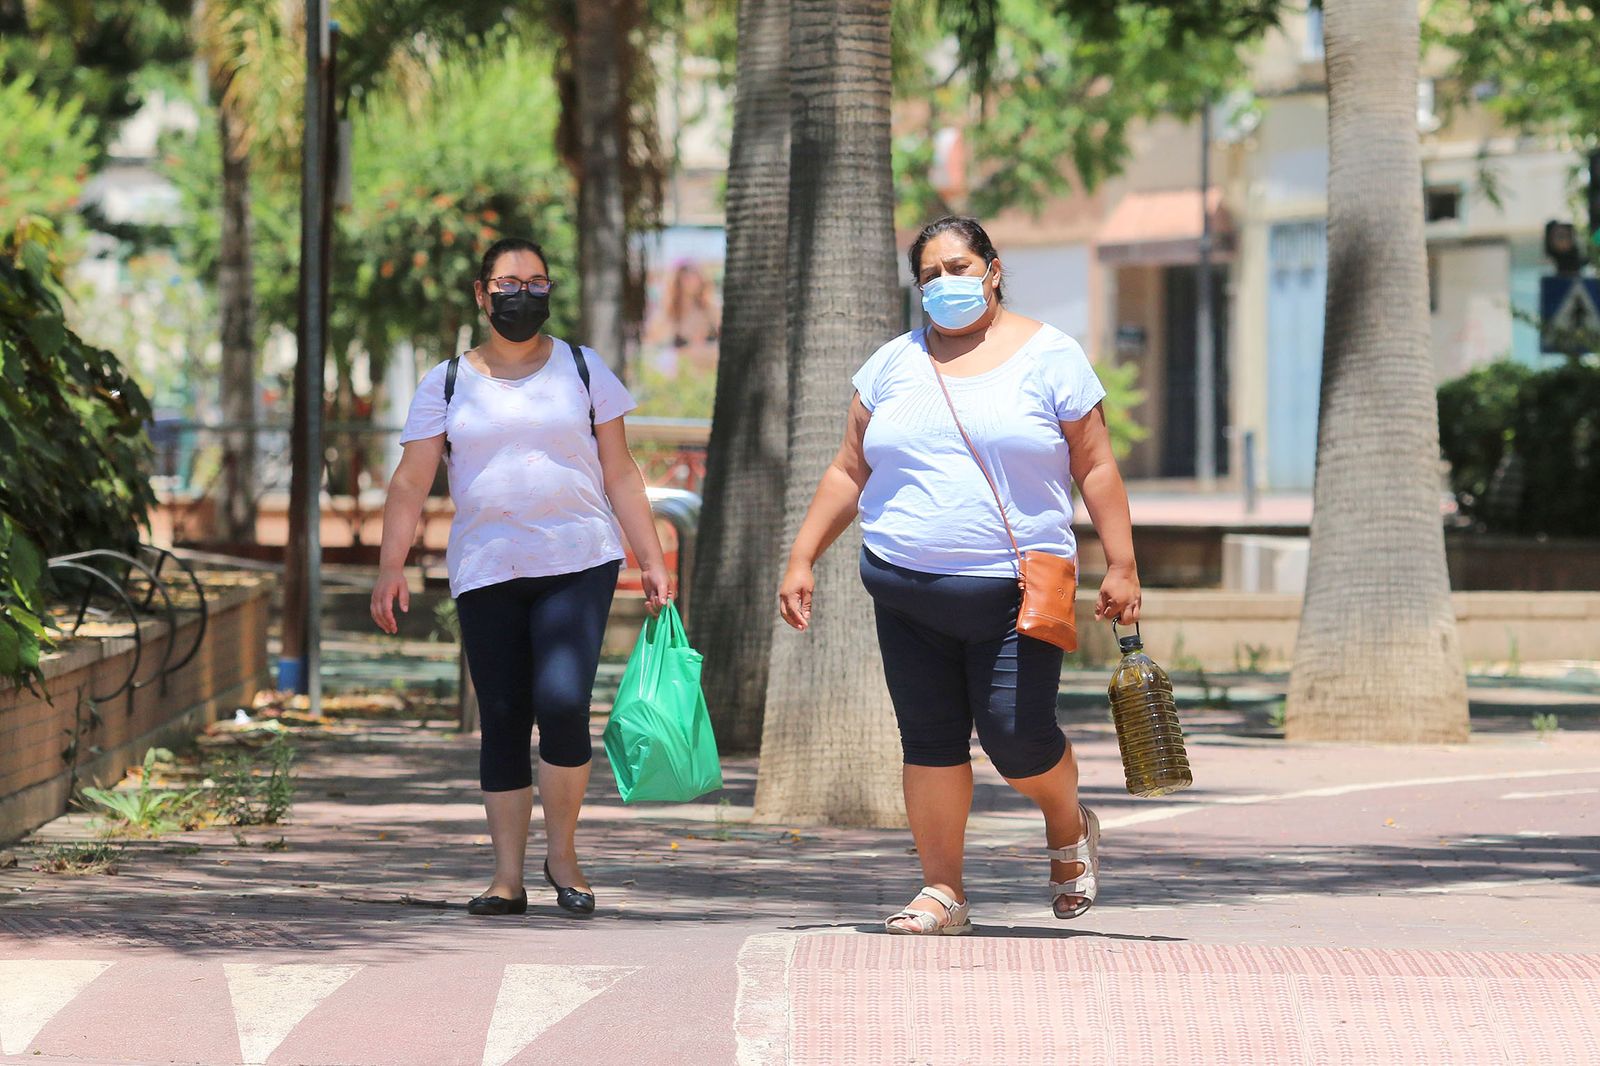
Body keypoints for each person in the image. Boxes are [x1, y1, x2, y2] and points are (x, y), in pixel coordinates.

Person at [777, 216, 1141, 935]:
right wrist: (801, 557)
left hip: (1017, 589)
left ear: (993, 269)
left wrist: (1123, 563)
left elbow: (1095, 463)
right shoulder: (890, 365)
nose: (946, 283)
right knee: (930, 740)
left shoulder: (1050, 356)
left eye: (959, 266)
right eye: (931, 274)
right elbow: (850, 469)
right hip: (903, 589)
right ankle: (943, 890)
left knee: (1017, 738)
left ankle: (1068, 824)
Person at [371, 237, 672, 917]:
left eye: (537, 283)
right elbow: (412, 481)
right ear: (482, 294)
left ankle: (562, 854)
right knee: (504, 715)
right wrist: (391, 566)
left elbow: (621, 471)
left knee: (563, 701)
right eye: (509, 283)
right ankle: (507, 877)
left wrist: (649, 556)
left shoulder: (583, 368)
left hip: (578, 558)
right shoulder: (446, 381)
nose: (523, 294)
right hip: (487, 565)